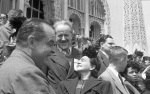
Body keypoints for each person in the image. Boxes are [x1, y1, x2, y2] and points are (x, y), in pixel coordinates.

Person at [0, 18, 56, 94]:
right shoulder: (27, 72)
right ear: (31, 42)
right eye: (50, 44)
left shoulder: (11, 63)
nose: (53, 50)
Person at [46, 20, 81, 93]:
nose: (63, 39)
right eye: (60, 35)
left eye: (66, 35)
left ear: (72, 35)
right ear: (55, 36)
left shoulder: (79, 54)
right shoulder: (47, 54)